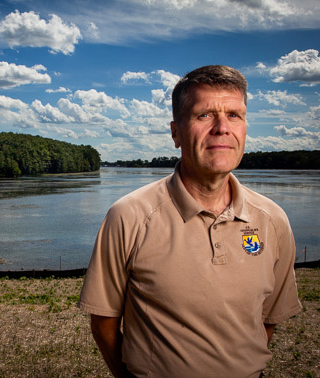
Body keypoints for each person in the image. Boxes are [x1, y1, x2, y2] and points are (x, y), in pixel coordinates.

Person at [78, 65, 302, 378]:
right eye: (204, 115)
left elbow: (267, 318)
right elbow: (104, 322)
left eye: (234, 115)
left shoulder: (273, 220)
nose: (222, 128)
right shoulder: (128, 217)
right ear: (176, 133)